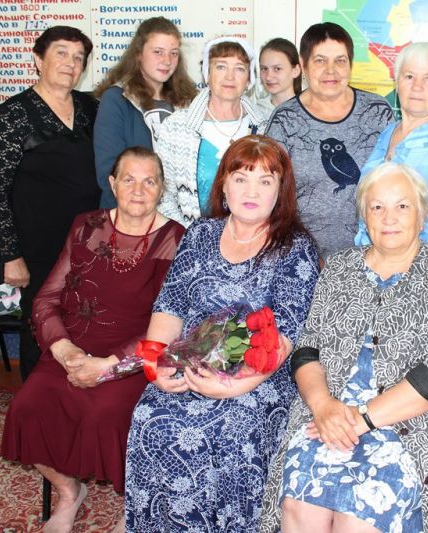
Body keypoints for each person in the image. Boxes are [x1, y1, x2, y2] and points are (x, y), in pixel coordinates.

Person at [261, 162, 428, 533]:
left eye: (402, 206)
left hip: (415, 422)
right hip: (330, 413)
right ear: (364, 215)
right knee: (300, 502)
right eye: (377, 207)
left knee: (359, 515)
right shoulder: (339, 268)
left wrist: (360, 420)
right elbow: (307, 349)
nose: (389, 218)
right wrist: (323, 406)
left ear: (422, 215)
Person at [125, 135, 319, 532]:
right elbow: (170, 304)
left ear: (280, 191)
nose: (252, 191)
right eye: (241, 178)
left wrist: (232, 387)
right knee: (149, 415)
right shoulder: (199, 234)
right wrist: (155, 363)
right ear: (224, 186)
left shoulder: (295, 247)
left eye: (265, 181)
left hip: (260, 377)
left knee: (233, 426)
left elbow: (285, 334)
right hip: (190, 362)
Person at [0, 147, 185, 533]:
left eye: (149, 181)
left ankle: (134, 505)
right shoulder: (86, 226)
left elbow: (168, 323)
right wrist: (64, 349)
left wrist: (109, 367)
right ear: (113, 184)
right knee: (27, 408)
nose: (138, 190)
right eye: (129, 179)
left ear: (161, 188)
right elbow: (47, 298)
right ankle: (69, 492)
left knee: (108, 416)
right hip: (73, 348)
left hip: (133, 358)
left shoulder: (174, 238)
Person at [0, 26, 100, 381]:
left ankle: (77, 394)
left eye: (78, 57)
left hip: (90, 245)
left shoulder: (91, 109)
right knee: (41, 326)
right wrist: (11, 255)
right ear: (38, 59)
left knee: (87, 322)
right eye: (61, 53)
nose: (70, 63)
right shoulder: (11, 116)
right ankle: (38, 400)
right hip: (37, 249)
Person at [266, 22, 394, 257]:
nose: (331, 71)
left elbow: (395, 182)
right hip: (301, 256)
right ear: (303, 65)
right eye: (320, 61)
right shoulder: (285, 120)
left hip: (370, 253)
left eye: (340, 61)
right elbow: (270, 191)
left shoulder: (377, 112)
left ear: (351, 64)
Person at [355, 42, 428, 257]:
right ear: (397, 82)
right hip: (374, 264)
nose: (417, 86)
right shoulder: (387, 133)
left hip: (425, 269)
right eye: (409, 76)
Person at [154, 37, 268, 226]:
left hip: (253, 237)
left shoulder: (266, 126)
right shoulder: (176, 127)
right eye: (221, 67)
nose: (230, 77)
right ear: (207, 73)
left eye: (239, 68)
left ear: (249, 78)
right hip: (189, 236)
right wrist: (190, 236)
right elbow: (163, 194)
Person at [93, 17, 197, 209]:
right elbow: (108, 173)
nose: (167, 61)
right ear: (138, 54)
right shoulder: (116, 99)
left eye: (173, 53)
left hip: (178, 214)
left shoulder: (189, 102)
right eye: (158, 52)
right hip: (129, 214)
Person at [255, 37, 302, 112]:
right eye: (264, 69)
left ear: (295, 71)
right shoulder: (254, 112)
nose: (268, 77)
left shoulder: (310, 112)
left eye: (277, 69)